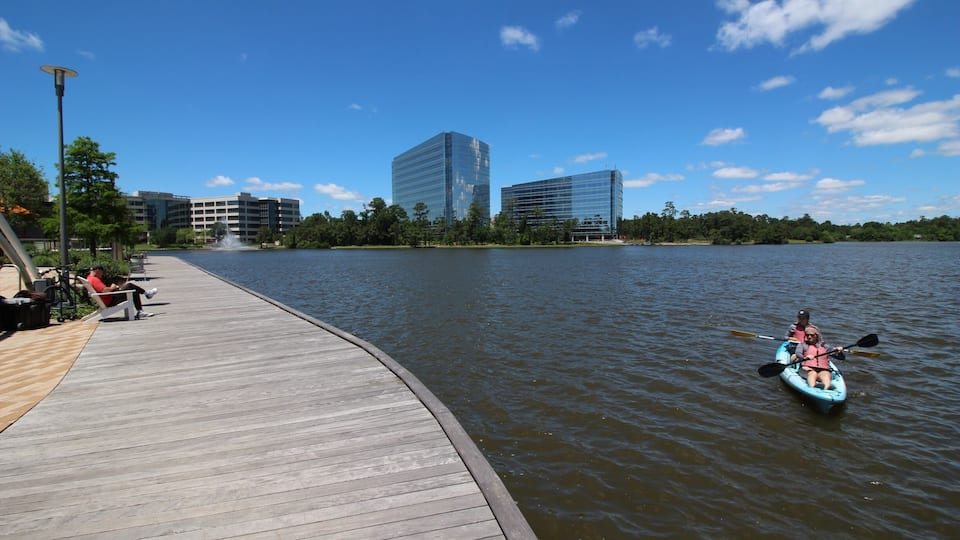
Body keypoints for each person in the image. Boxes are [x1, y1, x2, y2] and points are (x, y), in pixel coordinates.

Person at [86, 265, 158, 320]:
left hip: (109, 299)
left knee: (131, 288)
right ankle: (146, 295)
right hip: (111, 300)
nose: (102, 275)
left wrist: (115, 288)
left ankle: (143, 303)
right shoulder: (94, 280)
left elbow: (102, 290)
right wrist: (112, 287)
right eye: (101, 273)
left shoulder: (89, 278)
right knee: (130, 286)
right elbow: (105, 290)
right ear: (97, 271)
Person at [792, 325, 844, 389]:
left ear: (816, 335)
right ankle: (812, 387)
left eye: (812, 335)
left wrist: (839, 352)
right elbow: (798, 353)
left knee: (826, 375)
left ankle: (826, 388)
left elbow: (841, 358)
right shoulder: (803, 345)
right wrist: (805, 358)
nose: (809, 337)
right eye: (807, 335)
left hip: (822, 370)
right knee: (813, 373)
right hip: (807, 369)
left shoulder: (825, 346)